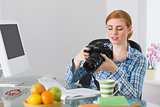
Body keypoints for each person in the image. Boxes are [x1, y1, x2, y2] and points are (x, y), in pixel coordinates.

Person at [65, 10, 146, 100]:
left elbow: (134, 97)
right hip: (94, 103)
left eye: (119, 29)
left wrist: (113, 70)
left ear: (129, 29)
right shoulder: (99, 50)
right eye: (110, 28)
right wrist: (77, 60)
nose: (114, 32)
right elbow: (69, 81)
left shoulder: (138, 59)